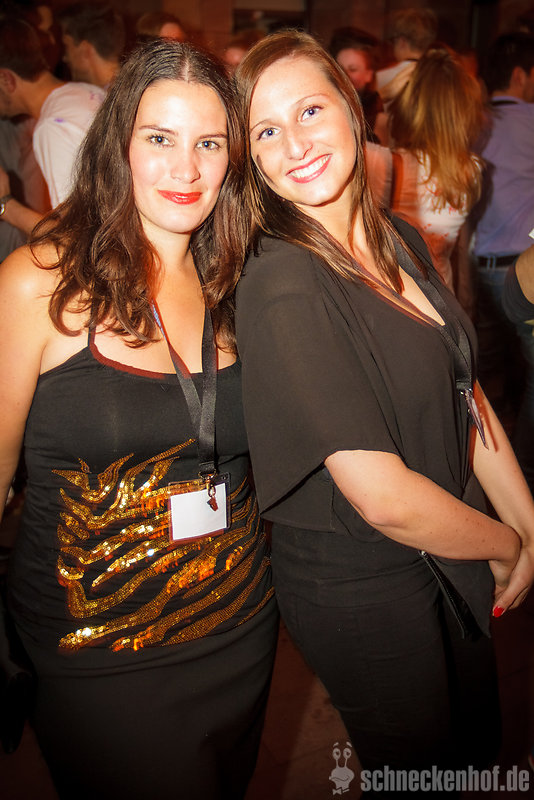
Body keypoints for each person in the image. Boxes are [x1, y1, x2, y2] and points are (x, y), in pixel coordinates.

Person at [234, 30, 534, 791]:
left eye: (310, 110)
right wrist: (504, 544)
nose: (295, 144)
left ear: (353, 106)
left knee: (475, 754)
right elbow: (383, 498)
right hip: (366, 585)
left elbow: (463, 386)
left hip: (449, 539)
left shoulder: (396, 236)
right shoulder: (282, 282)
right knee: (424, 774)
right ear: (251, 157)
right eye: (266, 131)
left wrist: (528, 518)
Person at [0, 38, 277, 799]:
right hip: (98, 656)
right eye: (160, 139)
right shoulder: (39, 284)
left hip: (241, 629)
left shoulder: (242, 281)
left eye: (209, 144)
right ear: (118, 143)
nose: (186, 169)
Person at [388, 48, 484, 290]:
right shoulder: (472, 170)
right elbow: (460, 242)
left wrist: (383, 94)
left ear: (411, 102)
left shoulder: (389, 163)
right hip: (443, 295)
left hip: (399, 296)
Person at [0, 15, 105, 208]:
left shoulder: (53, 128)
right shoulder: (87, 90)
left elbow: (74, 226)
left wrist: (6, 206)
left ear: (6, 79)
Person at [58, 1, 125, 89]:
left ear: (85, 51)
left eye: (67, 46)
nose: (65, 58)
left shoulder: (105, 96)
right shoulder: (129, 88)